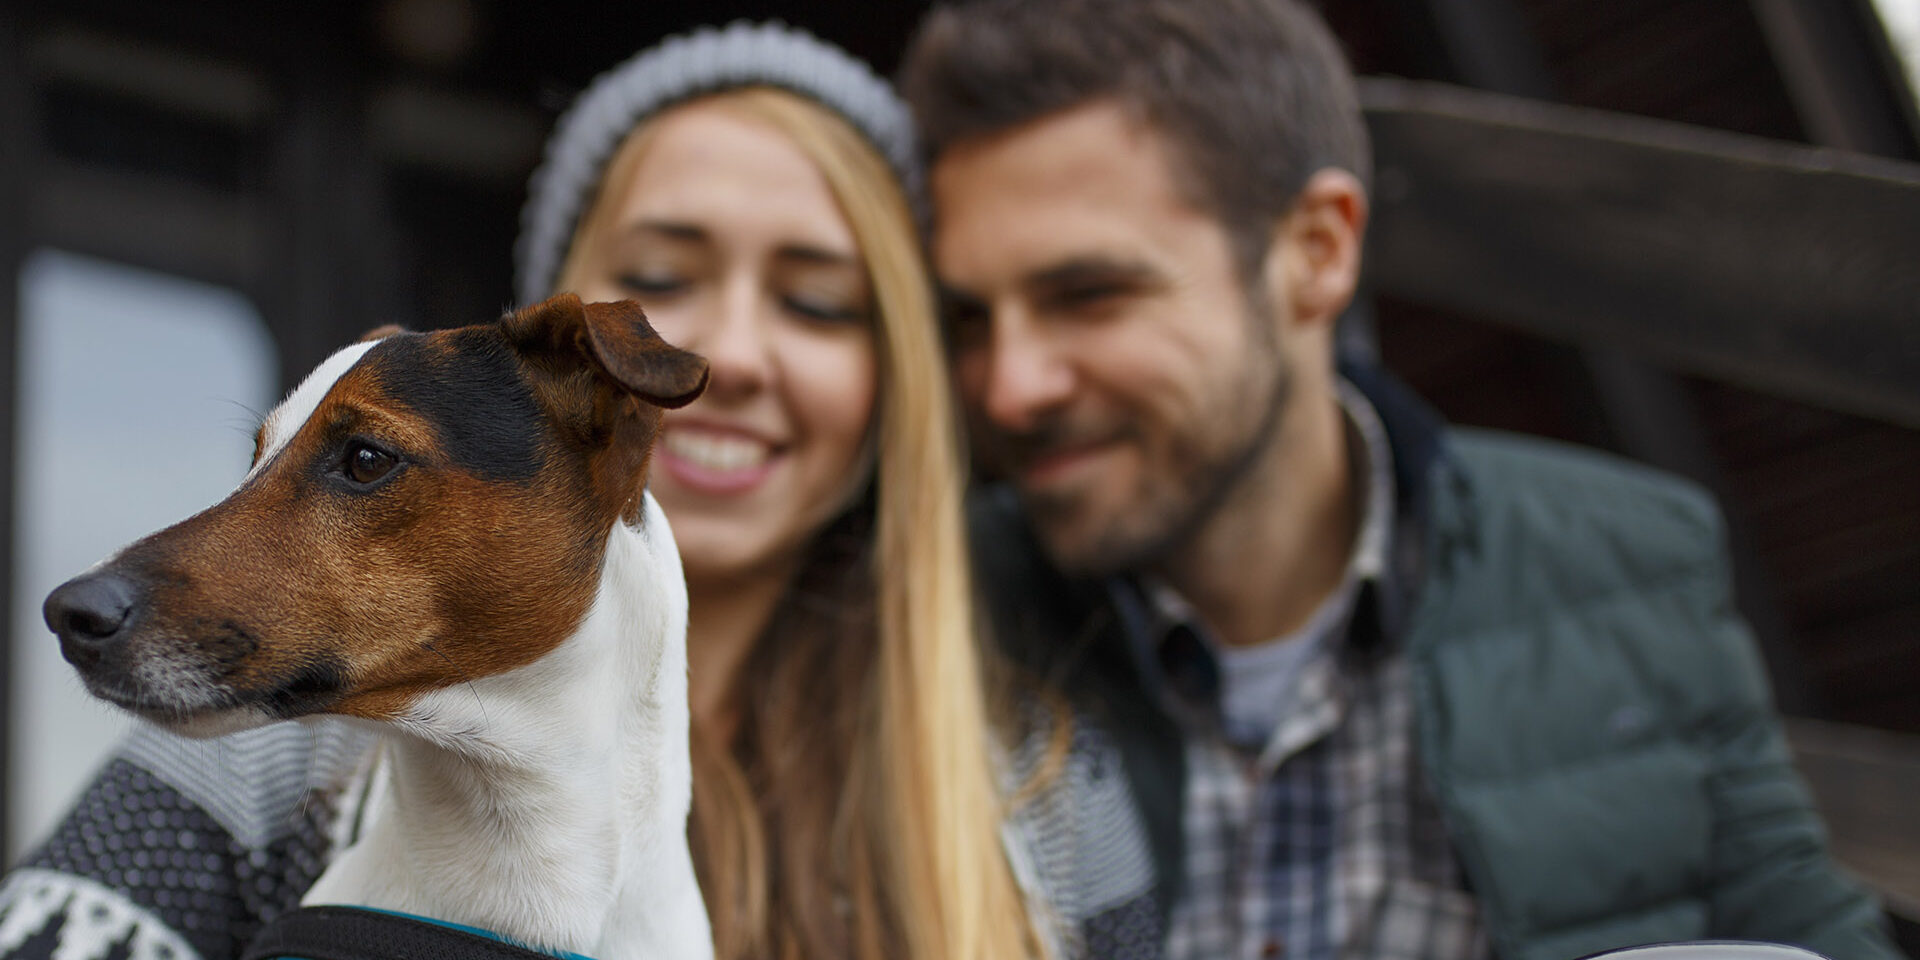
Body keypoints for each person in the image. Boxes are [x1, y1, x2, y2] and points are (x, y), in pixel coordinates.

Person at [0, 23, 1041, 960]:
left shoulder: (1042, 816)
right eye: (665, 275)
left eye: (816, 301)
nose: (730, 349)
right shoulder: (247, 781)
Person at [897, 2, 1906, 960]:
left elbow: (1807, 931)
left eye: (1090, 294)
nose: (1011, 385)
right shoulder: (932, 609)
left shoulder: (1619, 560)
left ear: (1317, 252)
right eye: (970, 319)